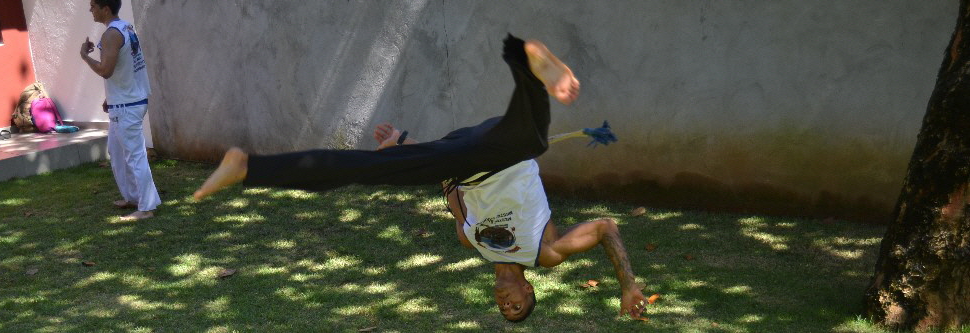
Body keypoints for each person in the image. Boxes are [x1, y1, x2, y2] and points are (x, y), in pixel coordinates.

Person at [193, 35, 648, 322]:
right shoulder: (545, 254)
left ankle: (249, 167)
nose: (507, 306)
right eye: (518, 306)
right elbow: (606, 228)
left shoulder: (470, 241)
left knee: (367, 172)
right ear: (529, 290)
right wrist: (627, 285)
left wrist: (405, 146)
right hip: (506, 154)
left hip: (465, 155)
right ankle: (526, 64)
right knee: (529, 138)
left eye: (503, 311)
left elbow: (448, 180)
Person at [80, 0, 160, 220]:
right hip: (124, 102)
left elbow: (106, 70)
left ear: (105, 8)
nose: (91, 10)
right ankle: (133, 197)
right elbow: (126, 67)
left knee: (135, 157)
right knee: (117, 153)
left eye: (93, 6)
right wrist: (111, 97)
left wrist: (85, 57)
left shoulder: (111, 35)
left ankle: (146, 208)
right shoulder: (126, 27)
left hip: (127, 106)